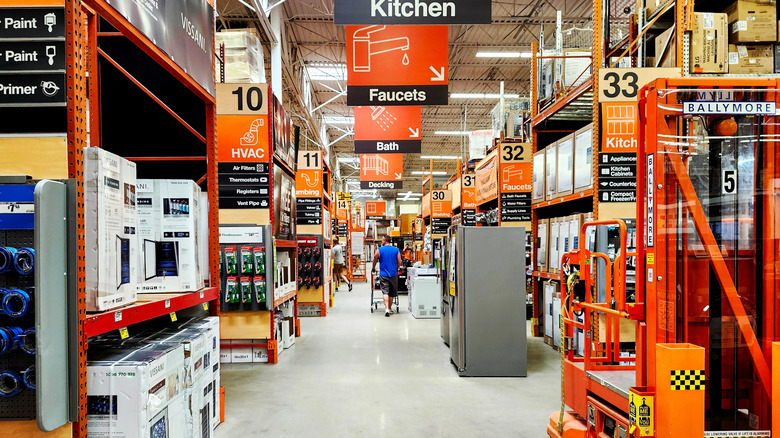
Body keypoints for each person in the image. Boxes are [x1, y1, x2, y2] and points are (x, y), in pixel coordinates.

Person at [372, 235, 402, 317]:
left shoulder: (379, 250)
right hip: (393, 273)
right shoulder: (396, 250)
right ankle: (389, 308)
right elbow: (400, 261)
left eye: (382, 240)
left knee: (385, 291)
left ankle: (386, 309)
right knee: (391, 292)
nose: (381, 241)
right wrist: (396, 268)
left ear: (385, 241)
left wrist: (373, 267)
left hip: (383, 274)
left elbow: (375, 258)